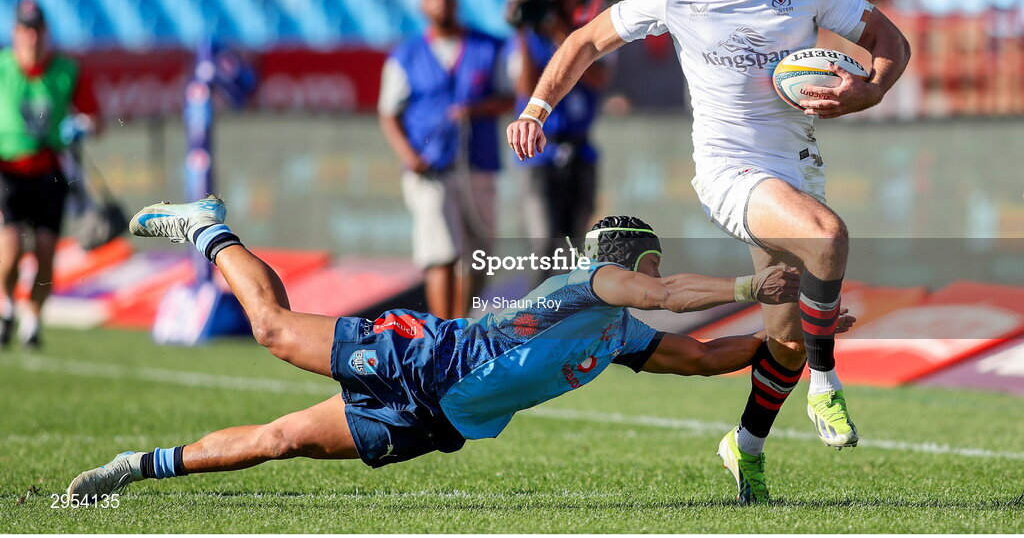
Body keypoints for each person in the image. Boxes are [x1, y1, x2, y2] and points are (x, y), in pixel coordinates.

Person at [507, 0, 911, 504]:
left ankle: (744, 447)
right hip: (728, 170)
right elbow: (586, 39)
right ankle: (828, 384)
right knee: (828, 237)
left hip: (796, 167)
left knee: (786, 337)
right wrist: (536, 108)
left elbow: (890, 40)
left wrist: (873, 87)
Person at [65, 196, 856, 502]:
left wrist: (805, 332)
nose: (647, 276)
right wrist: (752, 287)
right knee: (272, 328)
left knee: (283, 441)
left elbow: (708, 358)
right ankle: (208, 227)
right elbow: (665, 294)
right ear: (628, 258)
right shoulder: (598, 281)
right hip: (421, 357)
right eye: (647, 264)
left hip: (436, 420)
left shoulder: (617, 334)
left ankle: (135, 466)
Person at [378, 0, 512, 319]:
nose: (441, 1)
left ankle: (461, 322)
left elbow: (510, 97)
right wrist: (410, 156)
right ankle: (444, 334)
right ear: (422, 5)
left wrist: (475, 110)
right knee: (441, 252)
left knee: (479, 256)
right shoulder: (406, 55)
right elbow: (388, 113)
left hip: (477, 164)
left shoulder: (488, 46)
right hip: (430, 167)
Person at [0, 0, 100, 349]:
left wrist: (82, 125)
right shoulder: (2, 68)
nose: (32, 37)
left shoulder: (66, 71)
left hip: (48, 171)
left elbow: (96, 118)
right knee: (10, 248)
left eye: (38, 29)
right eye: (26, 29)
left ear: (46, 32)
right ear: (15, 32)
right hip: (8, 170)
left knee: (45, 251)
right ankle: (6, 304)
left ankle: (31, 319)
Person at [505, 0, 607, 284]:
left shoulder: (591, 30)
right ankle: (537, 319)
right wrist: (523, 27)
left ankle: (569, 318)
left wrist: (566, 36)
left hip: (579, 150)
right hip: (539, 153)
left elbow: (598, 77)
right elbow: (523, 87)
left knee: (575, 244)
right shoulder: (531, 37)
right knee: (544, 243)